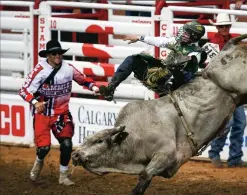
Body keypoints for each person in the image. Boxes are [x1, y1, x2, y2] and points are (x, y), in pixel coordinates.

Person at [19, 40, 100, 185]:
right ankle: (39, 161)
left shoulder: (68, 68)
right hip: (42, 114)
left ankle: (63, 175)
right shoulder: (39, 70)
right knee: (43, 148)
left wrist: (94, 87)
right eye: (54, 53)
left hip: (61, 114)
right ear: (48, 55)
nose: (57, 56)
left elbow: (83, 80)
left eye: (59, 53)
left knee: (67, 144)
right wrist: (35, 102)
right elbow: (23, 90)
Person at [99, 21, 206, 101]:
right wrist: (139, 37)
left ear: (193, 37)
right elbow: (161, 41)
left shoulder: (197, 52)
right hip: (161, 74)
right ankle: (111, 88)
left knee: (173, 68)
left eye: (186, 33)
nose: (182, 33)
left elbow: (190, 68)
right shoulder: (177, 42)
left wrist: (181, 64)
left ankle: (166, 91)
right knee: (133, 59)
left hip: (178, 84)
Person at [202, 13, 247, 168]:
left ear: (229, 27)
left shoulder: (235, 40)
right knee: (228, 124)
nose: (224, 28)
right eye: (221, 26)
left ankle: (234, 158)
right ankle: (215, 153)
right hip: (221, 90)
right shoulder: (213, 43)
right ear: (217, 27)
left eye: (226, 26)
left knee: (240, 123)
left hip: (235, 88)